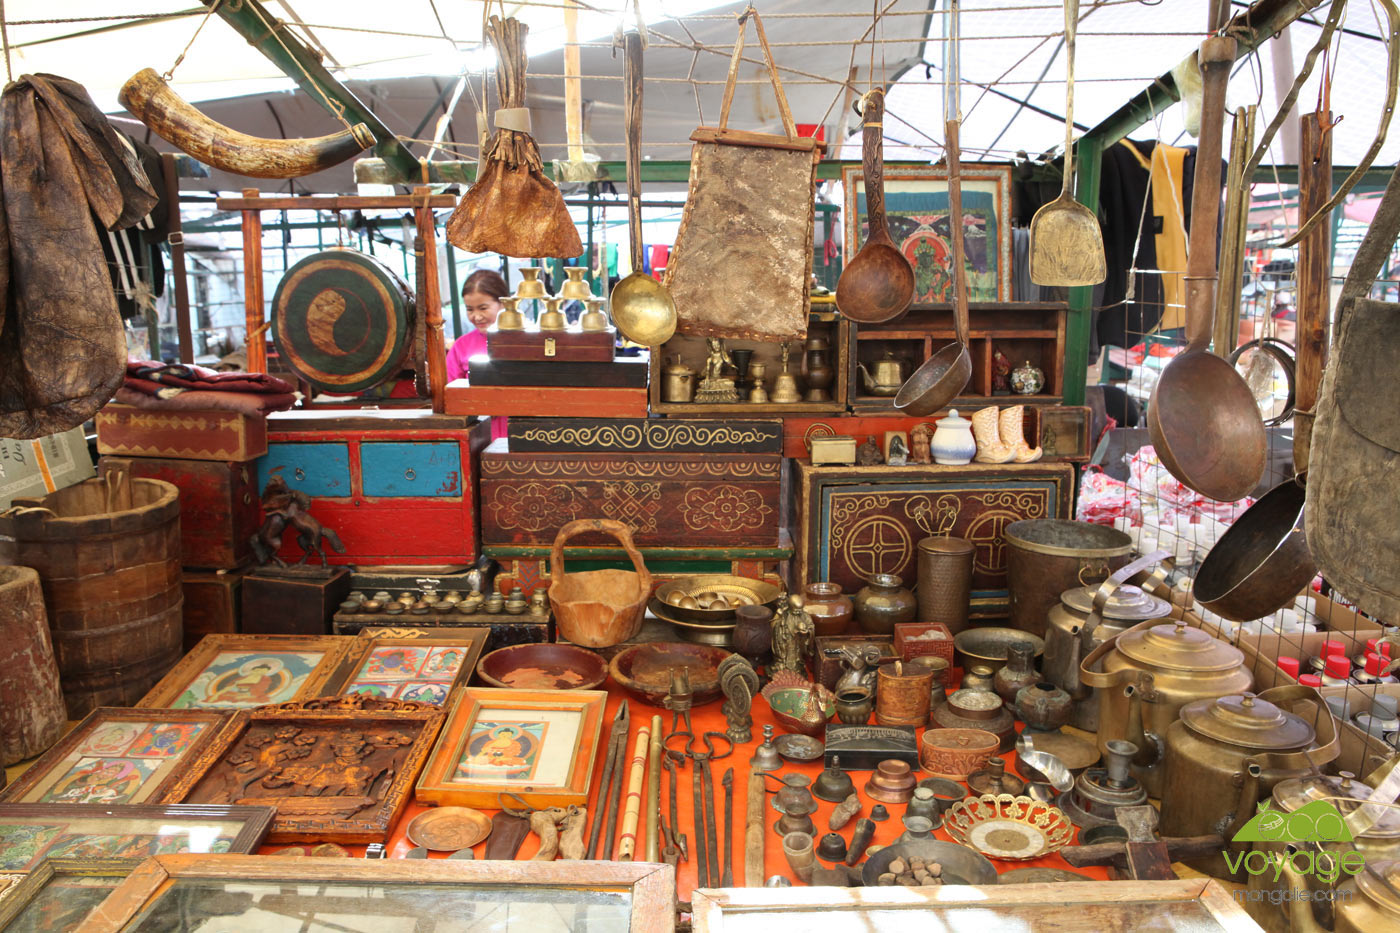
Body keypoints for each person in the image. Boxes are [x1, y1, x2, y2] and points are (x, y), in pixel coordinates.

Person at [446, 268, 508, 382]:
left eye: (483, 308)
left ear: (503, 304)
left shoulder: (525, 342)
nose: (477, 317)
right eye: (470, 309)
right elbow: (450, 387)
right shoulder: (460, 347)